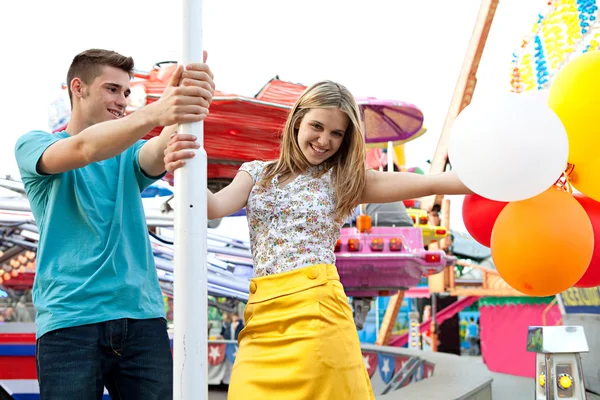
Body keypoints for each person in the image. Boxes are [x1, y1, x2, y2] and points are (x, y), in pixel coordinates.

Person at [164, 80, 471, 399]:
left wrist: (495, 175)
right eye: (317, 126)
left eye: (337, 133)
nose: (325, 140)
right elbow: (212, 207)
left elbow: (433, 183)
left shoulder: (344, 179)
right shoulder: (256, 173)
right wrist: (183, 169)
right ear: (297, 120)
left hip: (318, 313)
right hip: (262, 317)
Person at [14, 48, 214, 400]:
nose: (122, 100)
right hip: (69, 319)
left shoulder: (129, 151)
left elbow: (156, 149)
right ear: (78, 87)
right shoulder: (34, 145)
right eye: (112, 89)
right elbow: (85, 150)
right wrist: (156, 111)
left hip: (141, 316)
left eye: (126, 92)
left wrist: (188, 101)